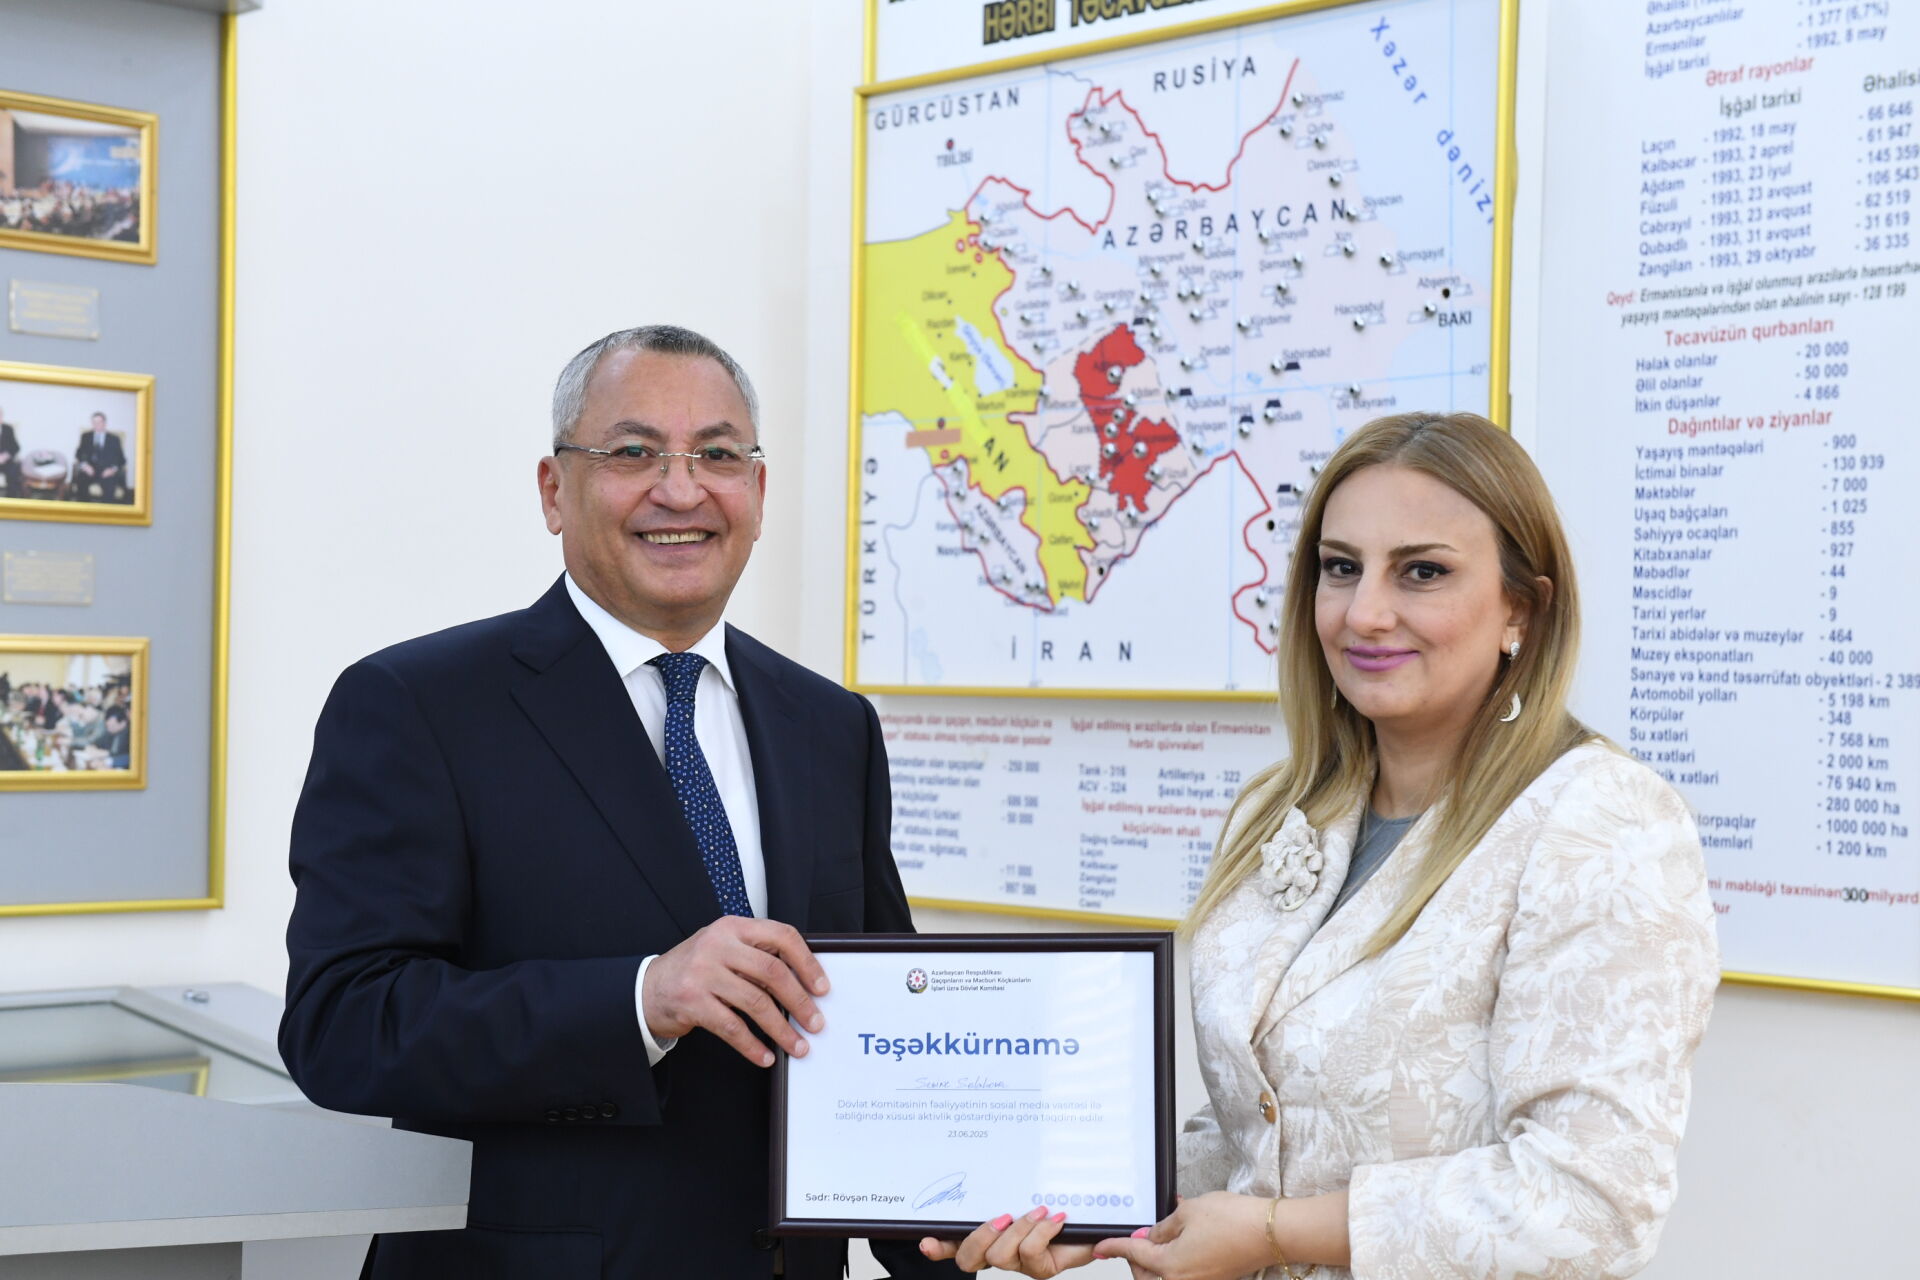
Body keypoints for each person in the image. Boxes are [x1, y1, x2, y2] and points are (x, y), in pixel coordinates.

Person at [925, 413, 1719, 1279]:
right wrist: (1095, 1208)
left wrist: (1275, 1232)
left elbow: (1589, 1206)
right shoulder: (1283, 810)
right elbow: (1263, 1125)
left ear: (1520, 611)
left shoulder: (1603, 821)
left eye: (1422, 572)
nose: (1364, 613)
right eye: (1340, 568)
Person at [278, 325, 959, 1279]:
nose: (681, 491)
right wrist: (640, 999)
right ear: (554, 491)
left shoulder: (829, 724)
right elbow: (344, 1025)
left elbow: (868, 1023)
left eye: (718, 455)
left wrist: (957, 1229)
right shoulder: (417, 705)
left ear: (758, 493)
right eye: (634, 452)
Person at [72, 412, 127, 503]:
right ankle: (85, 509)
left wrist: (112, 469)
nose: (96, 425)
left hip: (107, 471)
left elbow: (121, 459)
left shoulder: (114, 439)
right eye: (94, 422)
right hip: (90, 469)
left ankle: (105, 510)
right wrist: (85, 466)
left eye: (99, 422)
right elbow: (79, 454)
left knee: (109, 489)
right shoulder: (86, 436)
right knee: (81, 482)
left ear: (104, 423)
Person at [0, 409, 21, 498]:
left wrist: (6, 455)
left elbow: (16, 447)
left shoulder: (8, 429)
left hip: (5, 461)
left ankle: (11, 498)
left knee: (14, 471)